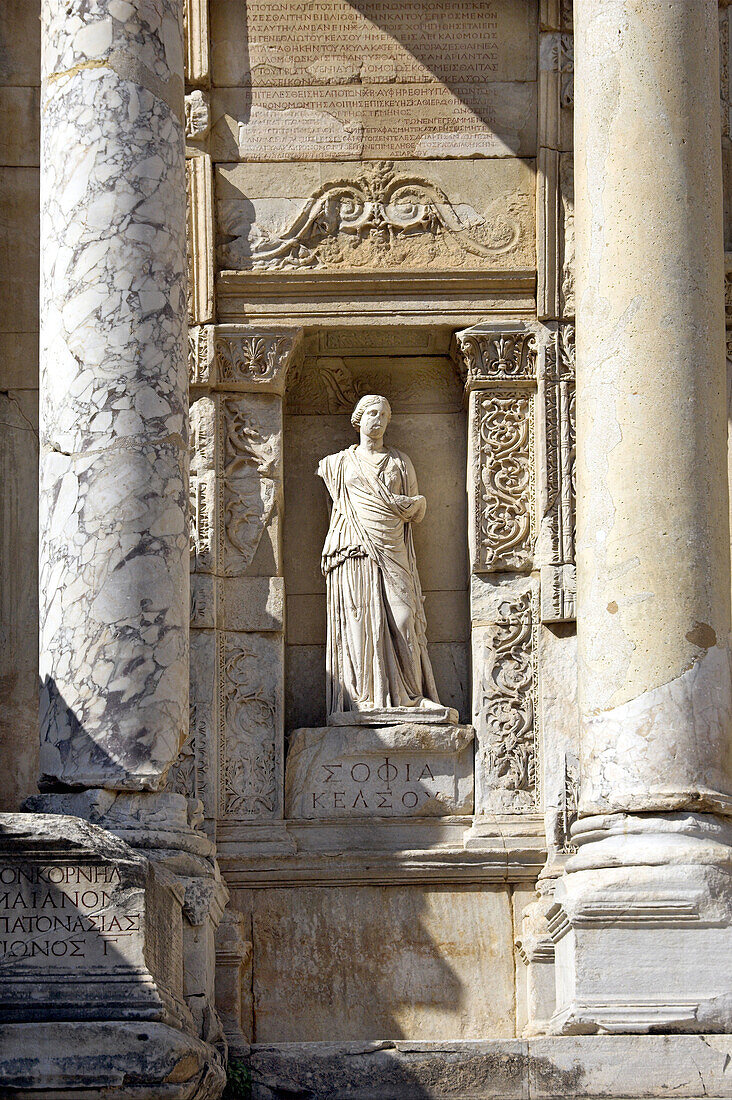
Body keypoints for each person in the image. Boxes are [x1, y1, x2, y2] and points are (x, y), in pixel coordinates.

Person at [317, 394, 445, 720]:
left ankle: (412, 697)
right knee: (359, 627)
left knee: (404, 619)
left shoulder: (401, 461)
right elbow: (335, 510)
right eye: (372, 413)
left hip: (392, 547)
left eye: (385, 414)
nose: (379, 419)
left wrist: (411, 504)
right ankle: (363, 700)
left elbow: (416, 508)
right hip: (353, 550)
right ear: (358, 419)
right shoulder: (337, 464)